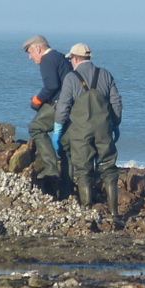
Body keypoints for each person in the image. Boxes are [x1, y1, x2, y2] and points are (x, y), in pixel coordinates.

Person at [52, 44, 123, 214]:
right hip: (103, 129)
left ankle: (87, 211)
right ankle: (114, 213)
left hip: (80, 131)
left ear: (75, 59)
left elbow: (63, 107)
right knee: (108, 168)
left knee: (83, 170)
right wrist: (115, 123)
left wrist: (57, 128)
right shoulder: (105, 74)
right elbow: (116, 103)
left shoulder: (71, 77)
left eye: (71, 59)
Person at [23, 35, 72, 197]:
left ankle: (50, 166)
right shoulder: (60, 56)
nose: (30, 57)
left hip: (60, 103)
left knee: (36, 127)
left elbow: (52, 85)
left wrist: (37, 100)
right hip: (71, 104)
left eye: (30, 52)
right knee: (66, 147)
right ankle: (66, 191)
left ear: (38, 48)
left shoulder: (47, 59)